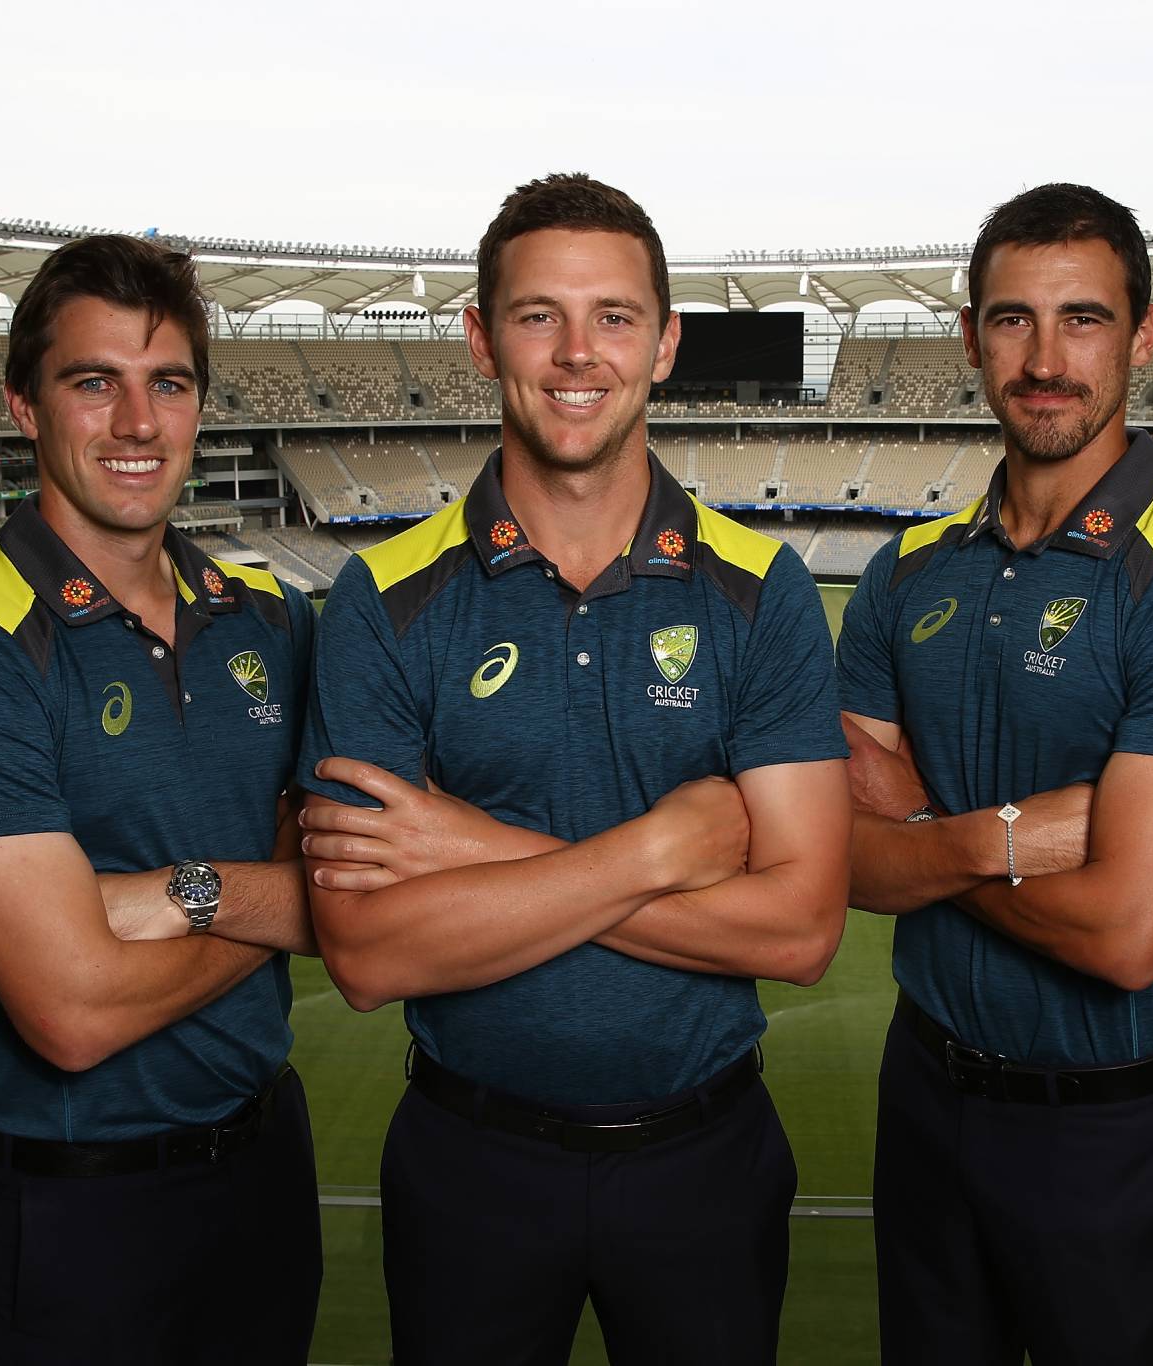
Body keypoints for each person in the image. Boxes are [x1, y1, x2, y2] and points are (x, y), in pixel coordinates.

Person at [292, 173, 851, 1365]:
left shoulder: (764, 592)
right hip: (467, 1166)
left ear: (664, 344)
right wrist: (661, 849)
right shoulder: (379, 601)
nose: (575, 353)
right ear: (480, 335)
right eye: (538, 314)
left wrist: (475, 849)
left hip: (706, 1159)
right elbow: (368, 953)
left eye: (612, 316)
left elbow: (802, 930)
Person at [836, 183, 1153, 1366]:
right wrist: (1001, 835)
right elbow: (837, 853)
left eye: (1081, 319)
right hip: (923, 1089)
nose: (1043, 359)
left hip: (1108, 1119)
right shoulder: (904, 572)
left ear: (1140, 336)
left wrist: (922, 833)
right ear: (971, 338)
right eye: (1009, 320)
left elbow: (1128, 933)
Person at [0, 235, 322, 1365]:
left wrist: (179, 894)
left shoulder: (269, 614)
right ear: (25, 405)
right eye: (94, 383)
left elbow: (360, 886)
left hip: (270, 1163)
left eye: (166, 384)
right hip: (82, 1212)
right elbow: (73, 1014)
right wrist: (272, 897)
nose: (136, 424)